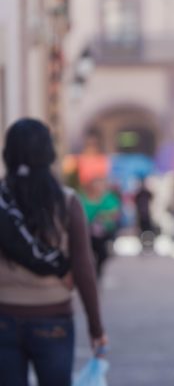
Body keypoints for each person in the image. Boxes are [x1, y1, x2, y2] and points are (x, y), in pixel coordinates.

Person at [0, 118, 108, 386]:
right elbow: (84, 268)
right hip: (53, 317)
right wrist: (96, 327)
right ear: (49, 153)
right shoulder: (66, 201)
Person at [79, 177, 121, 277]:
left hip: (104, 233)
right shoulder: (82, 198)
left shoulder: (109, 198)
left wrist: (103, 216)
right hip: (87, 232)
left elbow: (115, 213)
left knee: (103, 254)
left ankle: (96, 272)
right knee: (87, 254)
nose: (100, 187)